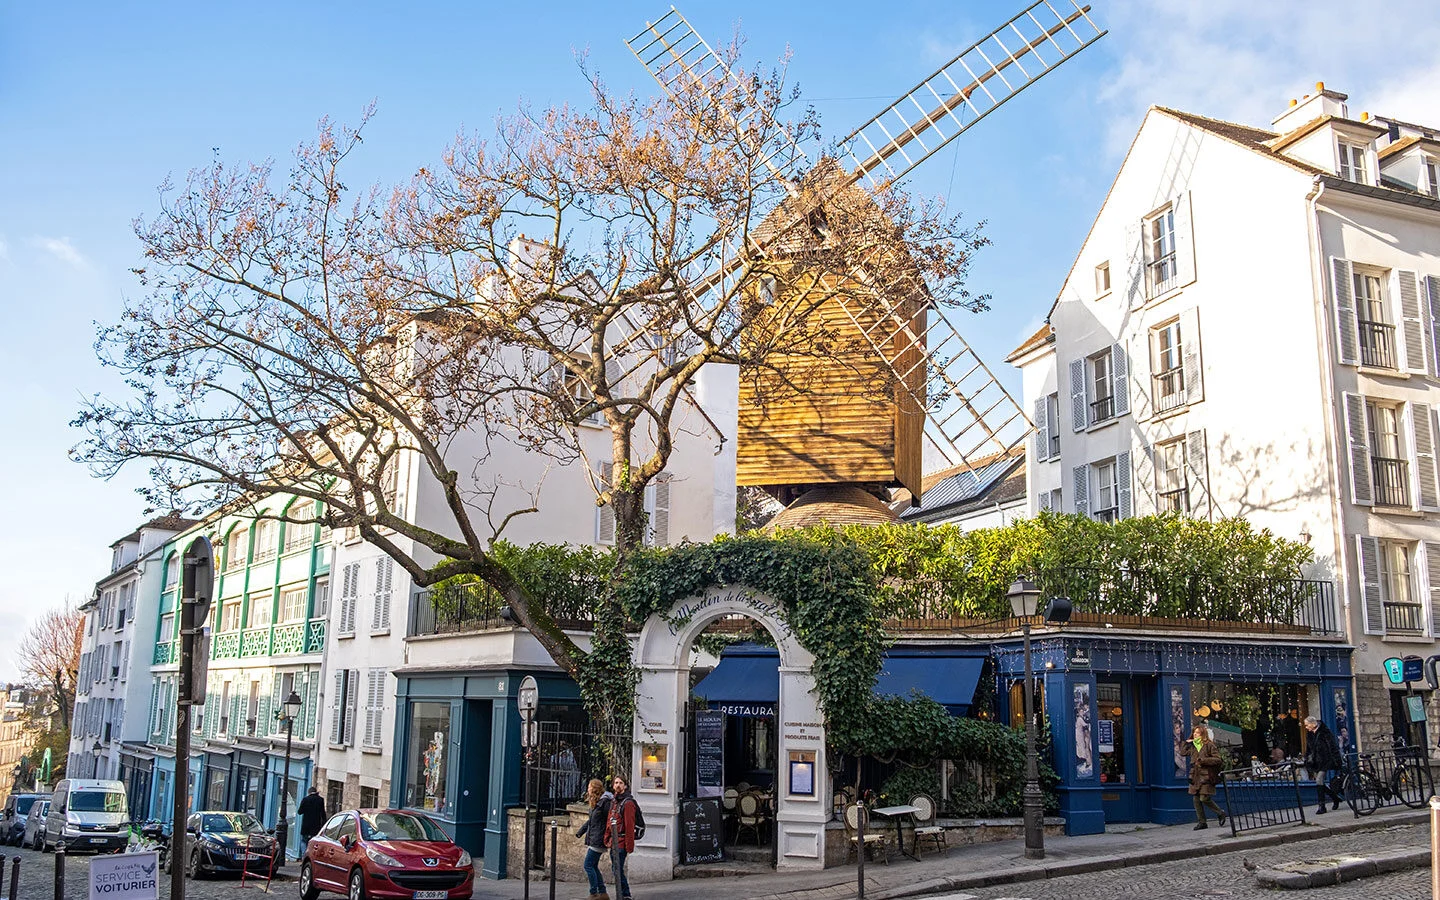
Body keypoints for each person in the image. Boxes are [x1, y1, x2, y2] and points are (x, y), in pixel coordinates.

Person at [1178, 725, 1227, 830]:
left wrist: (1203, 760)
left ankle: (1220, 812)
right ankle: (1202, 822)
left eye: (1197, 733)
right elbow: (1182, 753)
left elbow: (1218, 759)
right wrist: (1186, 743)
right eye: (1194, 732)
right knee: (1196, 799)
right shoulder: (1193, 746)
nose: (1195, 734)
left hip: (1206, 775)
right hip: (1195, 776)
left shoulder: (1209, 745)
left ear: (1203, 734)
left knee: (1204, 798)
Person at [575, 778, 613, 899]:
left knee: (588, 865)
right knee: (593, 866)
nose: (588, 789)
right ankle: (602, 893)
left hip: (598, 839)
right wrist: (580, 832)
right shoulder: (596, 802)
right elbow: (591, 821)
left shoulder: (604, 803)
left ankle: (594, 893)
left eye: (590, 787)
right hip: (594, 837)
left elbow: (610, 820)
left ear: (595, 789)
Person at [604, 774, 637, 900]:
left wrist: (629, 845)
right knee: (616, 869)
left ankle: (625, 894)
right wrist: (607, 837)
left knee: (616, 869)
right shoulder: (614, 801)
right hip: (614, 841)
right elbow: (609, 820)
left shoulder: (627, 803)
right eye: (616, 783)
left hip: (621, 842)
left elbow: (629, 825)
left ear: (625, 786)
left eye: (620, 783)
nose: (618, 785)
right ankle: (624, 894)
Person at [1302, 715, 1344, 814]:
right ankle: (1335, 798)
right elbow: (1308, 749)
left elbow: (1333, 746)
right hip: (1316, 761)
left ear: (1313, 724)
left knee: (1319, 779)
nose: (1306, 727)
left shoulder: (1325, 732)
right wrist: (1306, 759)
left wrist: (1337, 760)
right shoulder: (1309, 734)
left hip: (1326, 759)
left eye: (1307, 725)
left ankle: (1322, 806)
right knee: (1319, 782)